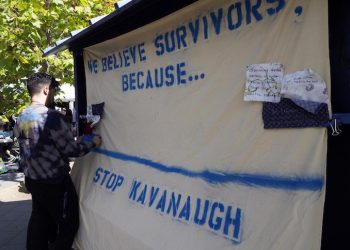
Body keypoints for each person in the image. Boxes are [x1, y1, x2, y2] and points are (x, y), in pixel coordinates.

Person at [14, 72, 102, 250]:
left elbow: (34, 146)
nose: (53, 94)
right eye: (53, 90)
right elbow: (72, 150)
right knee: (69, 222)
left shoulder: (21, 116)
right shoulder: (51, 117)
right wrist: (92, 140)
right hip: (54, 182)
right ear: (46, 90)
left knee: (39, 220)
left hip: (32, 179)